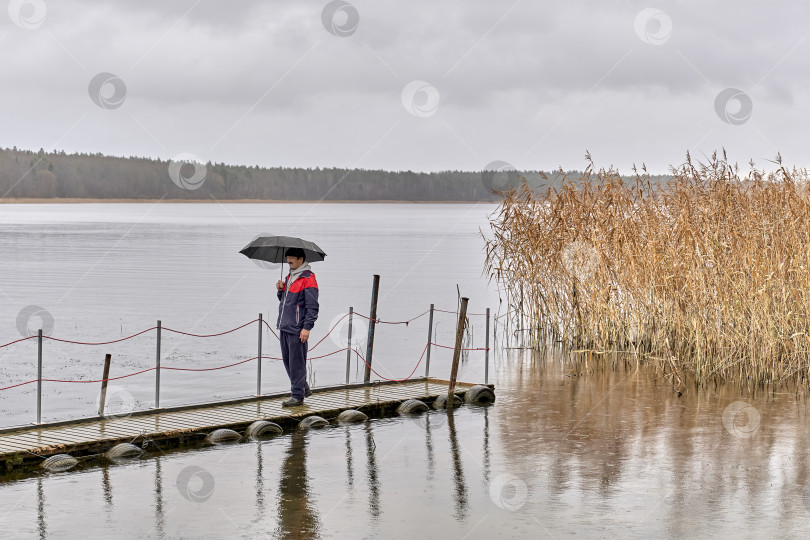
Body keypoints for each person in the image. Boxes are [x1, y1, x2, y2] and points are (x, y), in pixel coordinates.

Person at [276, 247, 319, 407]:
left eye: (292, 257)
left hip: (297, 328)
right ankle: (303, 388)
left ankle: (297, 396)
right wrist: (280, 290)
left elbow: (312, 307)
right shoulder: (289, 277)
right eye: (287, 257)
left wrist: (306, 328)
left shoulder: (309, 279)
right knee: (287, 361)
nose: (288, 260)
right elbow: (285, 302)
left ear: (301, 259)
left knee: (296, 363)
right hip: (285, 325)